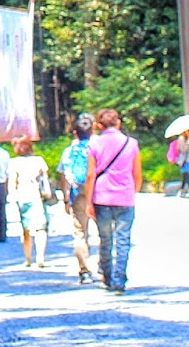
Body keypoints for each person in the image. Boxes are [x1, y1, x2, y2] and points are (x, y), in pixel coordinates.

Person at [84, 108, 141, 293]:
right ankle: (119, 279)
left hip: (101, 197)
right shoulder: (131, 143)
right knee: (123, 240)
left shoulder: (95, 144)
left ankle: (107, 276)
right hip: (124, 197)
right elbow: (137, 174)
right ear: (119, 123)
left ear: (99, 126)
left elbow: (91, 174)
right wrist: (133, 192)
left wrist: (89, 202)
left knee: (105, 239)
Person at [58, 113, 97, 285]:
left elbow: (64, 175)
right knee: (104, 231)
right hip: (97, 193)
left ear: (75, 133)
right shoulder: (97, 148)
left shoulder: (69, 152)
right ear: (93, 130)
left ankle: (85, 270)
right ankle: (104, 266)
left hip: (77, 194)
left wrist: (66, 198)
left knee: (80, 232)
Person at [8, 137, 52, 268]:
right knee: (41, 228)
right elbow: (45, 178)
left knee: (25, 229)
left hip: (22, 195)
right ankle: (40, 257)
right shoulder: (38, 161)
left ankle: (28, 258)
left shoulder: (14, 163)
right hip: (37, 195)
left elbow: (12, 183)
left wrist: (11, 198)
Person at [167, 131, 189, 196]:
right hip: (184, 159)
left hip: (188, 159)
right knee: (186, 174)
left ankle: (182, 190)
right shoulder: (181, 138)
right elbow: (182, 149)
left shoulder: (187, 138)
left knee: (185, 175)